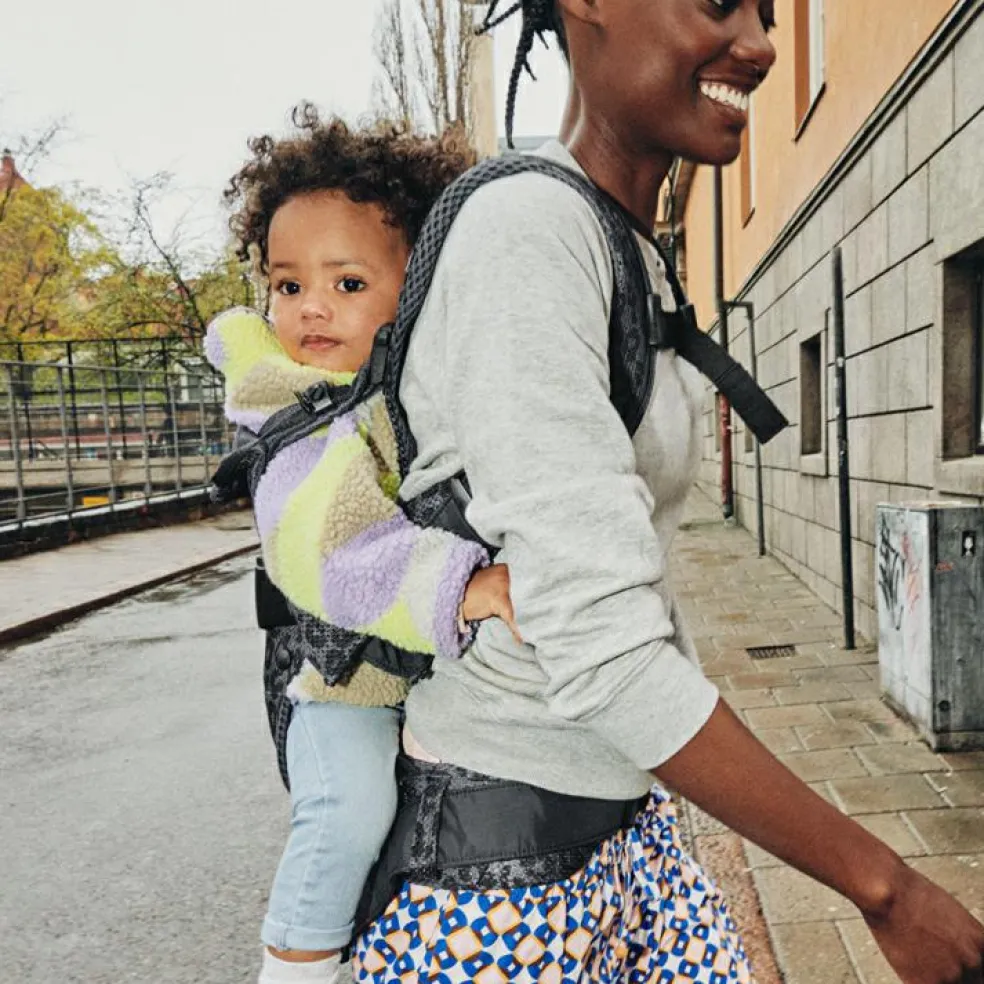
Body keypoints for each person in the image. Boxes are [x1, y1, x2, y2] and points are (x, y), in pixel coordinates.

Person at [353, 2, 984, 982]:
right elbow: (603, 648)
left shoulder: (624, 245)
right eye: (719, 1)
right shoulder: (529, 234)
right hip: (502, 862)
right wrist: (887, 891)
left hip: (614, 811)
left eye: (769, 13)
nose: (763, 45)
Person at [209, 109, 520, 984]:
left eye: (347, 283)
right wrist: (463, 586)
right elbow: (330, 553)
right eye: (287, 285)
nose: (310, 307)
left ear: (415, 286)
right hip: (334, 680)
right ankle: (295, 964)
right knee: (348, 809)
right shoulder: (294, 412)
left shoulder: (405, 385)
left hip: (403, 664)